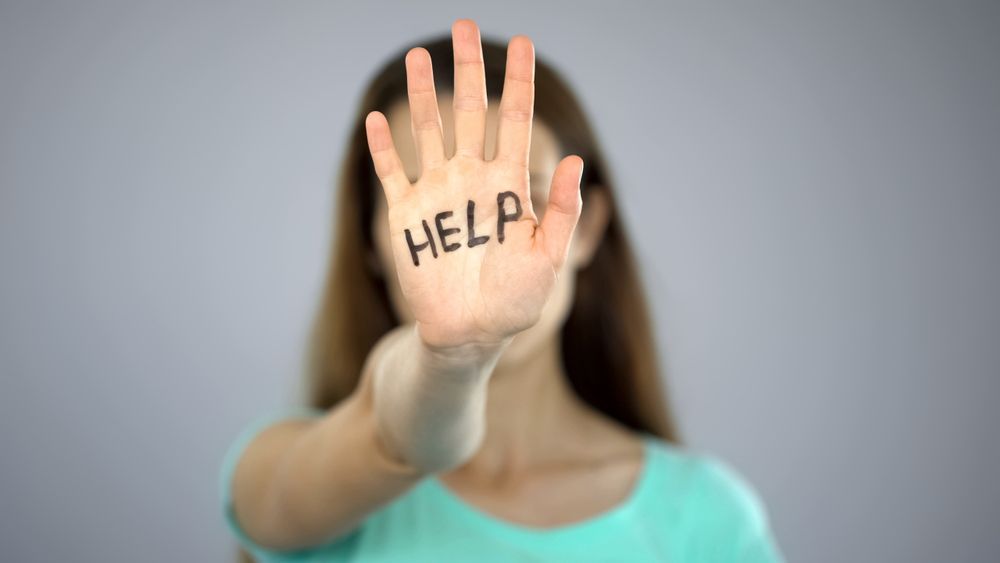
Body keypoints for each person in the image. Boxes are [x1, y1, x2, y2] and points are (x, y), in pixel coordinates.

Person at [219, 18, 783, 562]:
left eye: (515, 202)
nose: (476, 242)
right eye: (425, 207)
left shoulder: (708, 519)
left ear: (587, 226)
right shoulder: (280, 476)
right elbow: (391, 429)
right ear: (371, 242)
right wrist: (455, 357)